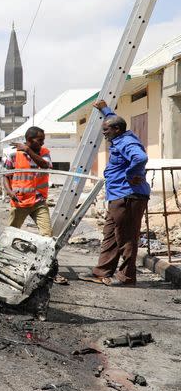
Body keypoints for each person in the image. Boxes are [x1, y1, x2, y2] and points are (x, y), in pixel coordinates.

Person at [80, 100, 150, 287]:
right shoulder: (119, 134)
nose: (104, 133)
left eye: (106, 130)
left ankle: (126, 278)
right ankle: (101, 271)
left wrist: (130, 174)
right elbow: (112, 118)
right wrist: (104, 109)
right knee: (110, 235)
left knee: (126, 237)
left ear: (117, 129)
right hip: (117, 196)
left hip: (128, 196)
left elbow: (141, 157)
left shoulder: (126, 141)